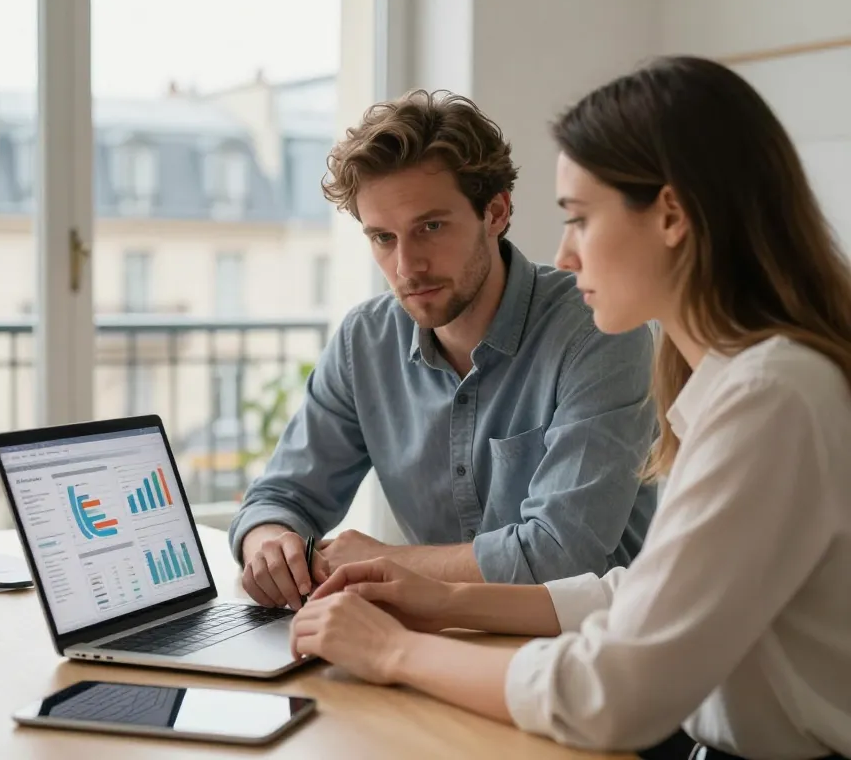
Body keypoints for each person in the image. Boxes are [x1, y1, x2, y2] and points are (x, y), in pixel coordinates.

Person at [288, 55, 851, 760]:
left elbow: (611, 696)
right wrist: (441, 599)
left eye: (580, 220)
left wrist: (392, 650)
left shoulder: (772, 397)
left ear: (671, 216)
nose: (564, 255)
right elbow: (647, 593)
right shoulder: (742, 380)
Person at [228, 89, 659, 611]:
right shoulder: (365, 342)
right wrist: (271, 546)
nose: (407, 267)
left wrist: (381, 562)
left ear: (495, 212)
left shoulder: (599, 331)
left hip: (584, 643)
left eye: (430, 227)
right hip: (431, 636)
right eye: (383, 238)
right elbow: (279, 498)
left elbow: (560, 555)